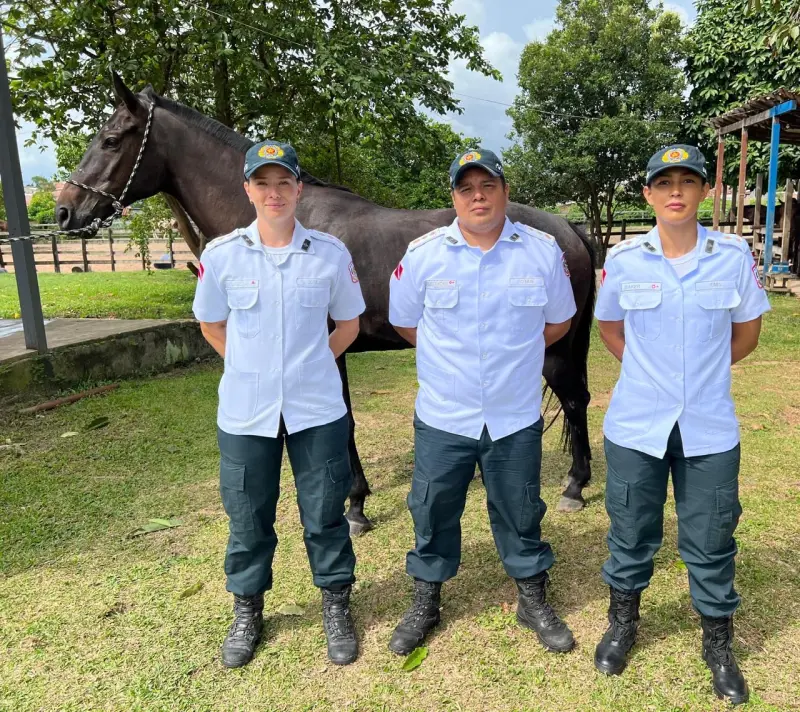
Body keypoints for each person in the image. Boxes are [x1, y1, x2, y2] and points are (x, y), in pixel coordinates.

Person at [593, 145, 770, 705]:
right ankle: (623, 624)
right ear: (647, 194)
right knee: (630, 530)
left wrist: (699, 376)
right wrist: (652, 376)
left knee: (713, 536)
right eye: (663, 182)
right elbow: (611, 329)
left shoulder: (732, 257)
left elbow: (746, 335)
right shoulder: (623, 261)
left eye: (687, 182)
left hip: (709, 427)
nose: (675, 191)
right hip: (636, 425)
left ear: (704, 192)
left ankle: (717, 644)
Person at [387, 148, 577, 656]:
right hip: (445, 415)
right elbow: (407, 323)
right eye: (466, 188)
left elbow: (558, 321)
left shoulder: (540, 251)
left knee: (521, 509)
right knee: (431, 510)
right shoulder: (424, 254)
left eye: (487, 186)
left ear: (504, 192)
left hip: (513, 415)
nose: (478, 196)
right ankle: (426, 600)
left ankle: (531, 597)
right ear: (453, 197)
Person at [193, 140, 366, 668]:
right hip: (247, 412)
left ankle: (336, 604)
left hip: (317, 411)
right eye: (262, 183)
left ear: (299, 189)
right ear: (247, 190)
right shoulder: (221, 256)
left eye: (283, 182)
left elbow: (349, 325)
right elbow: (211, 325)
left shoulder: (331, 254)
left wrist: (309, 364)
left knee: (325, 514)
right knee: (247, 517)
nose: (274, 193)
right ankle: (248, 610)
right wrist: (250, 367)